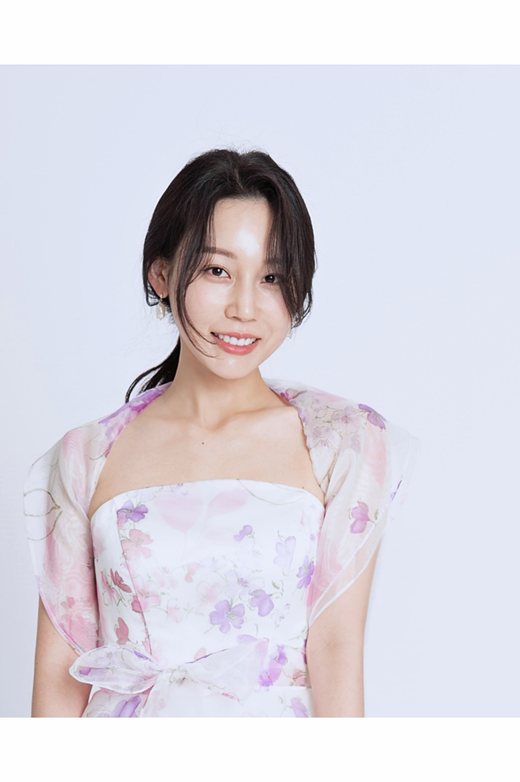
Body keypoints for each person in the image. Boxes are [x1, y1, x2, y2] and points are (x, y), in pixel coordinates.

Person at [23, 148, 420, 717]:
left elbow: (336, 649)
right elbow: (59, 677)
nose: (244, 307)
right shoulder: (85, 458)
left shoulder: (343, 445)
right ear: (162, 274)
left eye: (272, 277)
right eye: (217, 270)